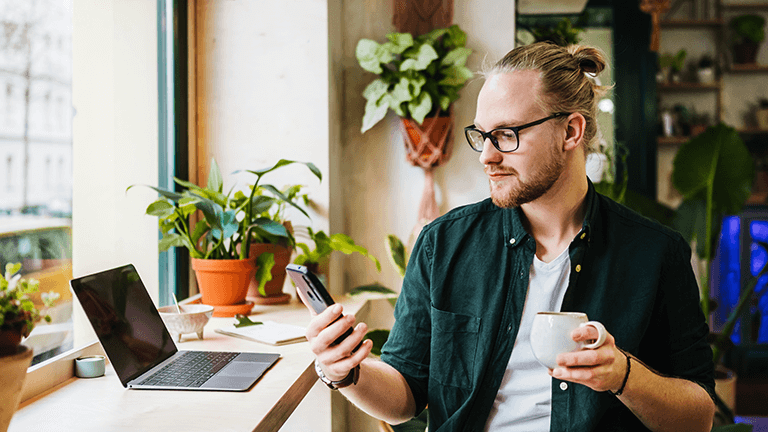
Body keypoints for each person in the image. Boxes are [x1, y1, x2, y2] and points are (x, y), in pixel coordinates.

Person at [301, 42, 716, 432]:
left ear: (571, 132)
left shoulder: (656, 254)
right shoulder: (443, 244)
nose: (487, 156)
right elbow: (406, 395)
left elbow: (698, 418)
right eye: (482, 136)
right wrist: (345, 372)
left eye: (506, 135)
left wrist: (624, 375)